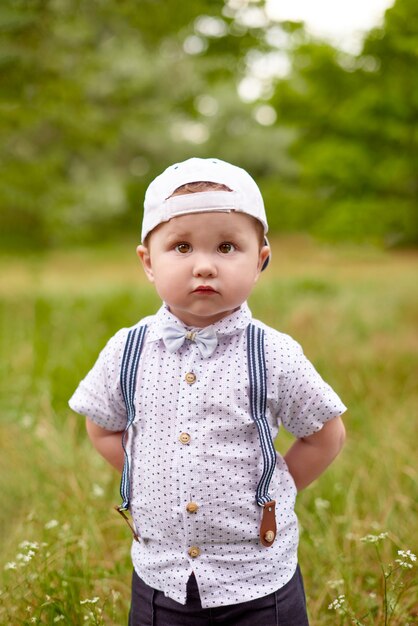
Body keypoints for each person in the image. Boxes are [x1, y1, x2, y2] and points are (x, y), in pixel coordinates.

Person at [69, 157, 346, 626]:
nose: (203, 266)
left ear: (260, 261)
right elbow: (102, 427)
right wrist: (151, 474)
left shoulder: (274, 353)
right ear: (148, 262)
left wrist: (273, 492)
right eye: (180, 247)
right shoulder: (127, 350)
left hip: (258, 581)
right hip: (162, 582)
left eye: (226, 247)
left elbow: (325, 435)